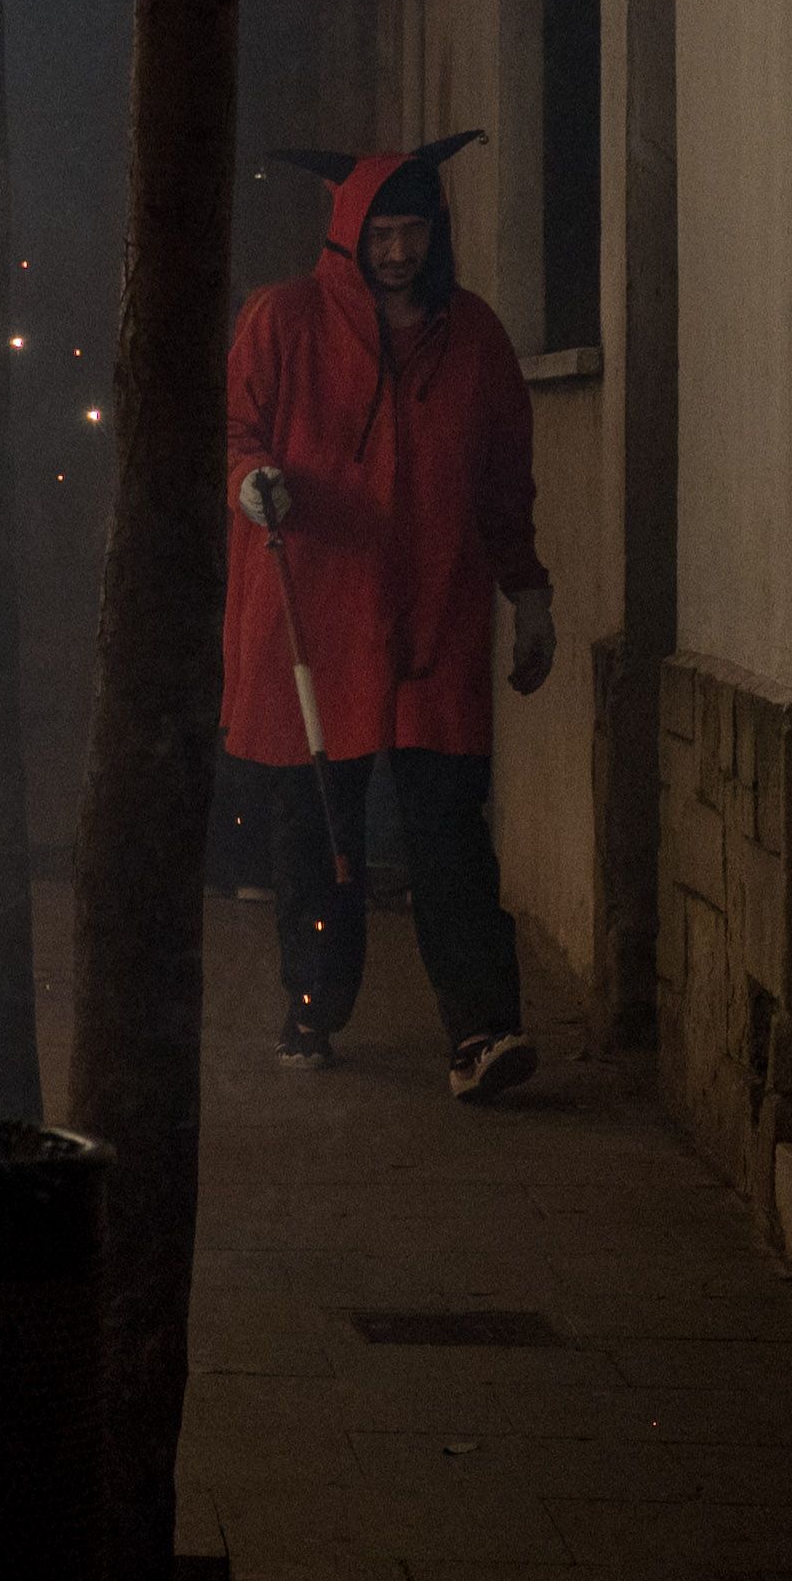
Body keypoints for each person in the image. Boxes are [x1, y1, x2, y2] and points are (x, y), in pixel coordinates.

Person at [226, 138, 555, 1093]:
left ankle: (483, 1032)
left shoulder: (476, 338)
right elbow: (239, 432)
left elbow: (502, 483)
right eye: (383, 232)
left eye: (415, 231)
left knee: (450, 831)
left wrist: (525, 590)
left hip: (434, 619)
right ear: (348, 235)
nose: (399, 251)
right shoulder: (281, 321)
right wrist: (254, 482)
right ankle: (312, 1005)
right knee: (316, 832)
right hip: (316, 621)